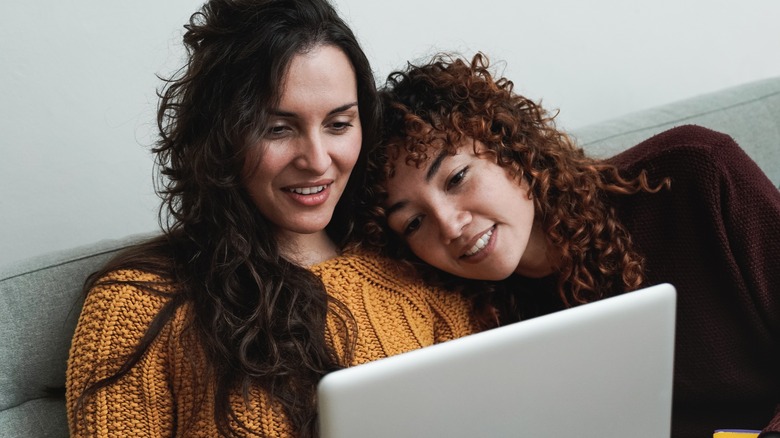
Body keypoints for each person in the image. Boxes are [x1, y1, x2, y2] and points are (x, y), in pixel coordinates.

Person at [65, 2, 479, 437]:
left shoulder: (415, 270)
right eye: (278, 129)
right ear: (222, 136)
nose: (317, 161)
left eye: (339, 124)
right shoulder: (137, 304)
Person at [359, 52, 780, 438]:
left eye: (456, 178)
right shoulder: (476, 326)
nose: (450, 226)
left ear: (506, 146)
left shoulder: (694, 173)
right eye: (414, 222)